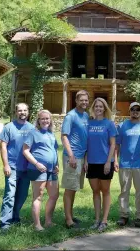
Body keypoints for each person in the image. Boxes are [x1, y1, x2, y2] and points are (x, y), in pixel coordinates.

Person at [0, 103, 34, 230]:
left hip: (27, 168)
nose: (22, 112)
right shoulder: (9, 127)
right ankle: (5, 222)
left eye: (25, 110)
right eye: (20, 110)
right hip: (12, 166)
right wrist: (6, 165)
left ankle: (15, 217)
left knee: (22, 195)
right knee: (10, 194)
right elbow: (3, 146)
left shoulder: (32, 128)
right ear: (16, 112)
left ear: (28, 112)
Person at [84, 98, 117, 232]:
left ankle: (104, 220)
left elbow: (113, 144)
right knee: (95, 191)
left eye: (101, 106)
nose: (98, 108)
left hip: (105, 163)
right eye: (96, 106)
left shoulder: (109, 124)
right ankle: (97, 220)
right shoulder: (89, 123)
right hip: (91, 162)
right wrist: (86, 160)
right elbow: (86, 143)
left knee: (105, 191)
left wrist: (109, 162)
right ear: (93, 108)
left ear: (105, 109)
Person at [23, 109, 59, 231]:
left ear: (50, 120)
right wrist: (37, 163)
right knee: (38, 196)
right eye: (42, 118)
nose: (45, 121)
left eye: (47, 118)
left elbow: (54, 150)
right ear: (38, 120)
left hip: (52, 170)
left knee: (54, 195)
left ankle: (48, 221)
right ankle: (37, 225)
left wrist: (57, 164)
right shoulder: (33, 133)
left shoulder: (51, 134)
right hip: (37, 169)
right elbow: (25, 151)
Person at [115, 102, 140, 228]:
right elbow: (117, 145)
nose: (135, 111)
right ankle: (124, 215)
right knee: (124, 191)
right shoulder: (122, 126)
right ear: (129, 111)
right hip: (124, 163)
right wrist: (115, 160)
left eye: (138, 109)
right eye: (132, 109)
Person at [61, 90, 89, 229]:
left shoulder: (86, 115)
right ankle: (68, 221)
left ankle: (70, 215)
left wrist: (85, 159)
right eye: (81, 100)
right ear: (76, 101)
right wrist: (71, 156)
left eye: (86, 100)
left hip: (81, 157)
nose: (84, 102)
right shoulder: (70, 116)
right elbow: (64, 136)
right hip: (71, 157)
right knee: (69, 189)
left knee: (74, 188)